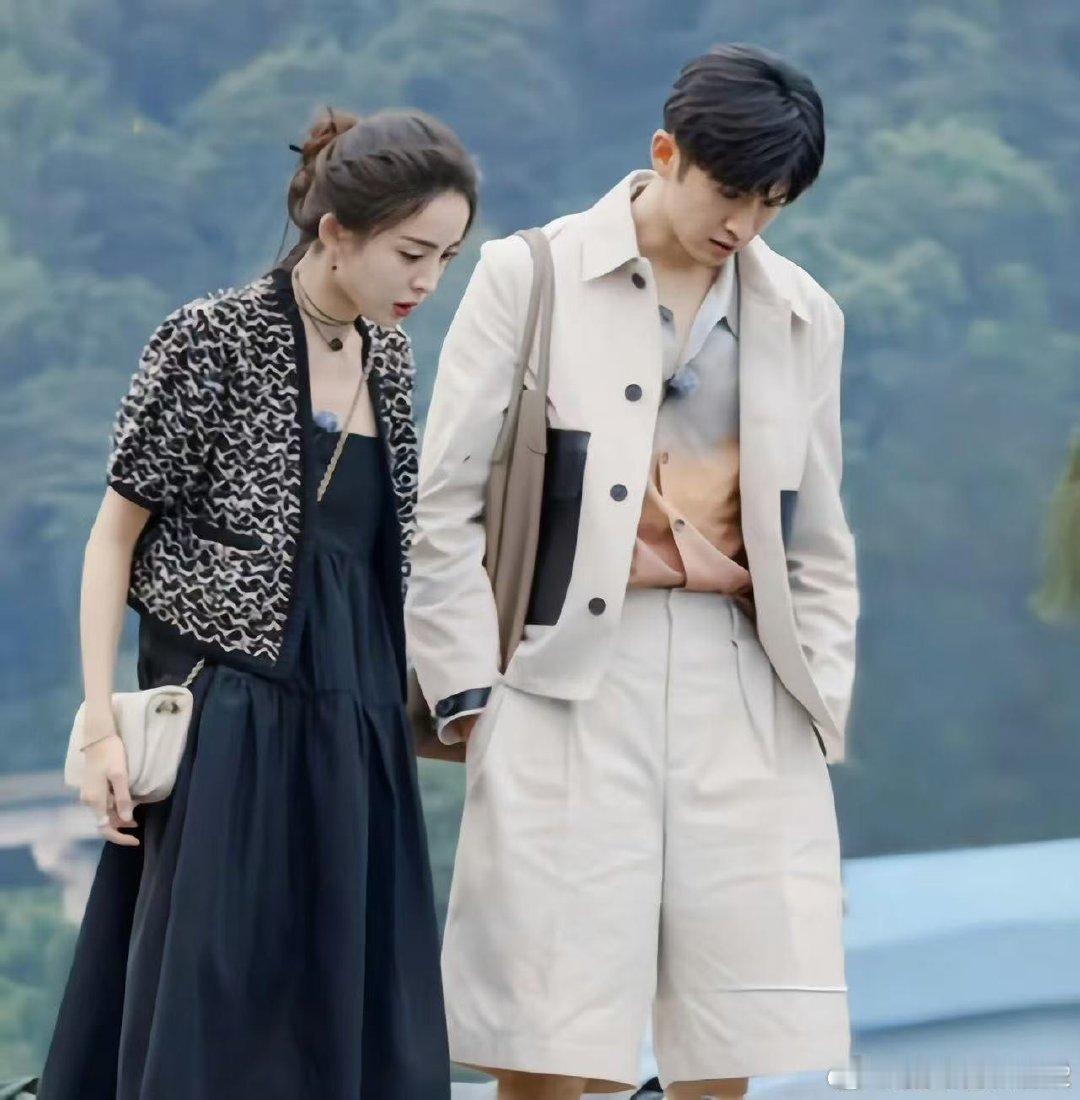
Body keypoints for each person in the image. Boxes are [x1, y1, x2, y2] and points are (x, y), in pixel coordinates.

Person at [406, 44, 859, 1100]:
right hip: (562, 672)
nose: (745, 223)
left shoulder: (802, 313)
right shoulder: (533, 274)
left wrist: (818, 699)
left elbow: (819, 538)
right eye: (731, 191)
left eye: (773, 203)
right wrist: (472, 697)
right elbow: (445, 503)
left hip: (740, 676)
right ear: (666, 153)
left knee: (728, 1023)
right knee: (548, 1024)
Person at [38, 105, 477, 1099]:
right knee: (219, 1005)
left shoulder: (389, 357)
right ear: (338, 231)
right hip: (229, 721)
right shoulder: (212, 337)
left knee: (349, 1007)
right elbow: (113, 536)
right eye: (412, 254)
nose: (427, 282)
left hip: (357, 724)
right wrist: (101, 727)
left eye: (446, 259)